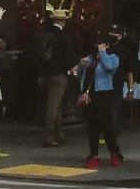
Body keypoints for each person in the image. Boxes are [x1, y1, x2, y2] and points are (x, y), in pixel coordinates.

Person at [78, 31, 124, 168]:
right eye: (97, 44)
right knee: (92, 127)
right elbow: (80, 73)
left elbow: (110, 68)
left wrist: (103, 53)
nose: (98, 46)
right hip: (90, 96)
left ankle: (114, 152)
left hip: (104, 94)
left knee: (107, 127)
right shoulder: (91, 59)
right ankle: (94, 155)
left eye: (102, 44)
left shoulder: (113, 57)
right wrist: (81, 64)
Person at [33, 14, 77, 148]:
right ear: (63, 21)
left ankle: (59, 133)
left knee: (55, 104)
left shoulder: (43, 35)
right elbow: (68, 57)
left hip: (45, 75)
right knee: (53, 106)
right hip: (59, 76)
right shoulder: (63, 37)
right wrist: (71, 69)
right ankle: (48, 136)